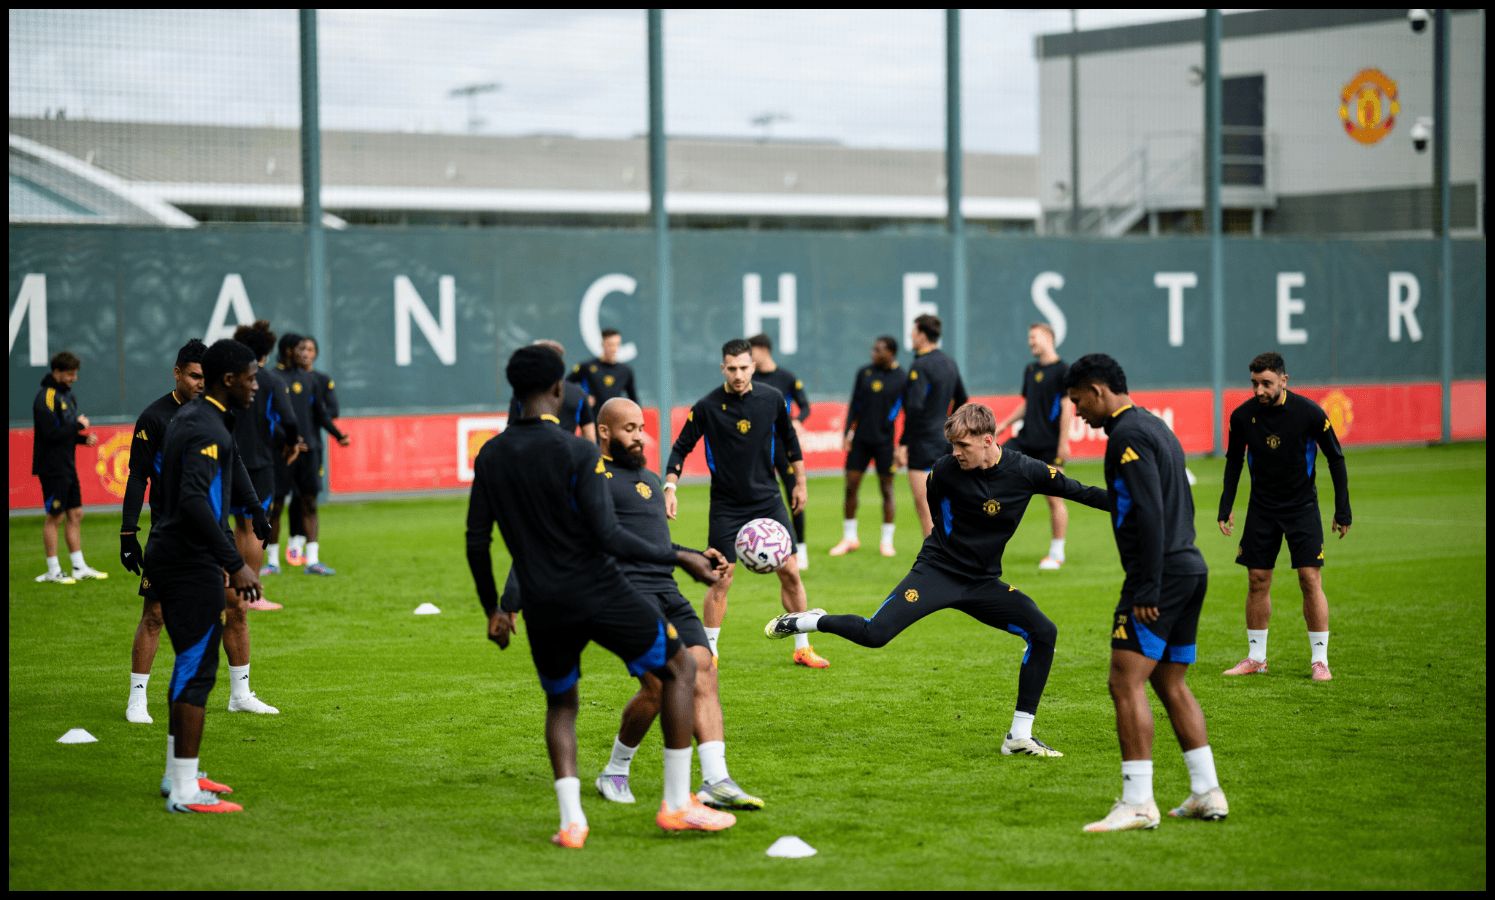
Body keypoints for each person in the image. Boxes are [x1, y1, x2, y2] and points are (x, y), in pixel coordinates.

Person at [466, 346, 736, 848]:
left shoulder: (491, 454)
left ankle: (572, 822)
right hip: (599, 590)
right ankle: (677, 804)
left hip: (544, 604)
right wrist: (682, 557)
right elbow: (608, 537)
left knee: (561, 704)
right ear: (556, 391)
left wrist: (495, 609)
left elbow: (476, 540)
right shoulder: (578, 453)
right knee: (680, 669)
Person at [767, 403, 1107, 757]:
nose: (955, 453)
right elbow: (935, 513)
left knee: (1043, 632)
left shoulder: (1026, 471)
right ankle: (809, 620)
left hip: (982, 583)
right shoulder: (944, 471)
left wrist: (1136, 504)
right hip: (938, 572)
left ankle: (1018, 736)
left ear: (988, 440)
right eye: (953, 446)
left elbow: (1081, 491)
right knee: (874, 634)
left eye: (964, 446)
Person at [1062, 354, 1227, 833]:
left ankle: (1137, 802)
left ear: (1097, 390)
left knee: (1124, 681)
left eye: (1077, 402)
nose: (1077, 413)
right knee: (1169, 682)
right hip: (1189, 566)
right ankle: (1206, 791)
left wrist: (1148, 584)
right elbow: (1152, 500)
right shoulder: (1154, 428)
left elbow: (1151, 511)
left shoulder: (1127, 436)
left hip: (1161, 577)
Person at [589, 398, 765, 812]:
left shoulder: (649, 479)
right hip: (626, 594)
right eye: (628, 429)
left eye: (640, 427)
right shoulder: (593, 478)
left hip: (668, 591)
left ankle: (716, 780)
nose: (638, 436)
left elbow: (656, 546)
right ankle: (615, 769)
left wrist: (696, 556)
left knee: (704, 670)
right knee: (659, 686)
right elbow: (604, 541)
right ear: (603, 432)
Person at [146, 338, 270, 814]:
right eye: (251, 378)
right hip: (188, 561)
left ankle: (180, 773)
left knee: (191, 666)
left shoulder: (202, 419)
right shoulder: (203, 427)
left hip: (179, 555)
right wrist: (234, 562)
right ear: (228, 380)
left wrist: (254, 509)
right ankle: (183, 791)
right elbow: (195, 500)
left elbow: (227, 472)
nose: (257, 385)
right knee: (196, 670)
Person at [666, 339, 826, 669]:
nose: (738, 375)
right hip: (726, 505)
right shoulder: (708, 406)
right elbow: (680, 448)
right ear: (723, 368)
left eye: (744, 367)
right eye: (732, 368)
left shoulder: (772, 399)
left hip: (767, 500)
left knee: (791, 573)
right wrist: (670, 487)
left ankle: (802, 647)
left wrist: (800, 484)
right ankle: (709, 651)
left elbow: (791, 443)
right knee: (721, 577)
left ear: (753, 366)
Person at [1217, 352, 1351, 682]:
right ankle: (1256, 658)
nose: (1259, 390)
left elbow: (1335, 458)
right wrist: (1226, 505)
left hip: (1302, 508)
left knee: (1309, 578)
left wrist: (1342, 509)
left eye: (1266, 384)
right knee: (1257, 580)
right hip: (1262, 509)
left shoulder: (1309, 414)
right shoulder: (1242, 417)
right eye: (1254, 384)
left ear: (1283, 381)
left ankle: (1320, 660)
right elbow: (1234, 461)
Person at [121, 339, 207, 724]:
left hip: (208, 532)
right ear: (177, 373)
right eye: (193, 376)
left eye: (207, 377)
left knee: (223, 612)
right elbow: (138, 477)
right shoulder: (154, 417)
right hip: (168, 534)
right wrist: (128, 533)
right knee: (154, 614)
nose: (200, 384)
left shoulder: (216, 414)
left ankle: (240, 692)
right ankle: (137, 699)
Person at [994, 323, 1075, 571]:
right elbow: (1028, 404)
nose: (1030, 342)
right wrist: (1005, 423)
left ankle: (1056, 552)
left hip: (1049, 445)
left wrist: (1063, 442)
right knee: (994, 472)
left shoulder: (1063, 370)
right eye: (1029, 337)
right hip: (1025, 439)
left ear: (1049, 337)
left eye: (1034, 337)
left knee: (1054, 499)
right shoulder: (1030, 369)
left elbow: (1067, 407)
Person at [829, 335, 906, 558]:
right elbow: (855, 405)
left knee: (886, 489)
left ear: (891, 352)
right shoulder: (864, 373)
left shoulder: (902, 378)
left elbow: (907, 412)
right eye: (873, 349)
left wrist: (902, 445)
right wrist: (846, 433)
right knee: (851, 486)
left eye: (878, 350)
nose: (873, 353)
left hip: (885, 442)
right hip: (861, 440)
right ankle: (849, 538)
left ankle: (886, 541)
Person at [32, 351, 104, 584]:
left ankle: (78, 567)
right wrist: (77, 425)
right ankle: (53, 570)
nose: (74, 378)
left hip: (67, 464)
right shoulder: (46, 397)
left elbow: (65, 435)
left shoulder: (68, 396)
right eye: (71, 374)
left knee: (76, 513)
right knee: (55, 515)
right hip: (51, 466)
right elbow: (50, 433)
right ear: (57, 372)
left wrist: (83, 439)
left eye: (75, 374)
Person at [897, 314, 968, 538]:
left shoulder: (920, 365)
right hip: (945, 441)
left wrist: (903, 443)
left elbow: (914, 408)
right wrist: (947, 422)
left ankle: (934, 561)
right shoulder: (949, 362)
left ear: (922, 335)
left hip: (922, 442)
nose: (910, 335)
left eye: (913, 331)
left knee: (925, 507)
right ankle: (953, 557)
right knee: (946, 505)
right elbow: (962, 397)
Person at [748, 333, 812, 570]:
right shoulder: (749, 378)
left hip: (783, 446)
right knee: (756, 495)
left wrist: (797, 421)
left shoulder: (786, 377)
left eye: (751, 351)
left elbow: (805, 406)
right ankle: (756, 546)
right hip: (758, 446)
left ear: (763, 350)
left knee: (794, 493)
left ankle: (801, 548)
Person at [263, 333, 310, 575]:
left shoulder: (305, 377)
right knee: (277, 504)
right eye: (301, 349)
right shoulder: (273, 377)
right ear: (289, 350)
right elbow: (272, 416)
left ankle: (298, 551)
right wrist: (288, 440)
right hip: (281, 451)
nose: (305, 354)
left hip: (303, 451)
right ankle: (272, 560)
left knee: (304, 501)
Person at [510, 340, 595, 441]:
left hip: (531, 452)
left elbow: (511, 431)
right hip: (568, 452)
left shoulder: (524, 393)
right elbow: (589, 434)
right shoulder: (578, 393)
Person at [567, 328, 639, 408]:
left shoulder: (626, 371)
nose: (614, 349)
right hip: (592, 418)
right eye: (610, 345)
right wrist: (582, 396)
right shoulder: (587, 367)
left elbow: (634, 399)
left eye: (617, 344)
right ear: (602, 344)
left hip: (614, 417)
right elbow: (566, 384)